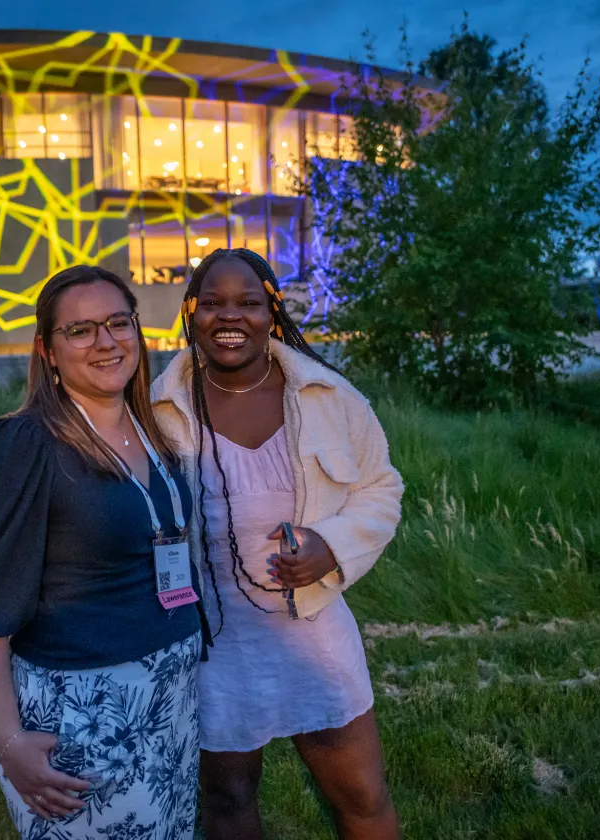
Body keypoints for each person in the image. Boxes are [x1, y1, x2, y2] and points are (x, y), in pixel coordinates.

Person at [0, 265, 210, 840]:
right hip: (83, 715)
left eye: (118, 323)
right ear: (48, 351)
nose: (106, 342)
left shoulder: (152, 431)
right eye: (80, 331)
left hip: (169, 706)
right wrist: (7, 744)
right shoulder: (22, 445)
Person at [151, 248, 405, 840]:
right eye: (210, 303)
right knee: (229, 799)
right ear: (189, 313)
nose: (228, 316)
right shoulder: (160, 405)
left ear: (273, 311)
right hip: (212, 641)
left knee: (361, 793)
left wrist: (332, 544)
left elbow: (379, 486)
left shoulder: (326, 396)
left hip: (312, 632)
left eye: (247, 302)